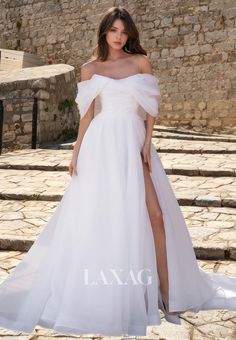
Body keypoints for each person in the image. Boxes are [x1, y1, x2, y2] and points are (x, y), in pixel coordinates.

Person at [0, 5, 235, 338]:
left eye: (124, 32)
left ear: (129, 34)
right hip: (101, 145)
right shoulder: (89, 69)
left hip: (134, 142)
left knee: (155, 215)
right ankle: (117, 294)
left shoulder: (139, 62)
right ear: (104, 32)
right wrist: (77, 152)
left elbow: (151, 108)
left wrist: (146, 144)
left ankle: (168, 295)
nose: (119, 37)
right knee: (109, 217)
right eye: (114, 31)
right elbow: (87, 115)